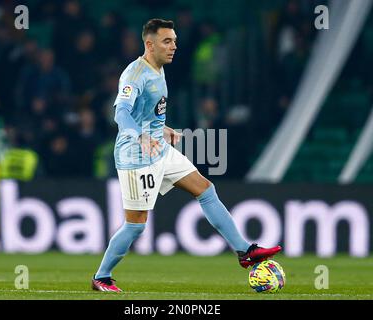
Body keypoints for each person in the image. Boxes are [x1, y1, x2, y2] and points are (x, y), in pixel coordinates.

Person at [91, 19, 281, 293]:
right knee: (135, 226)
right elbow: (120, 112)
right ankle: (102, 277)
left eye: (175, 41)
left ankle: (244, 251)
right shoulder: (135, 75)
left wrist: (160, 128)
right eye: (167, 42)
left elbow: (147, 111)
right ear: (150, 44)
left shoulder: (158, 69)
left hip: (160, 149)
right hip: (137, 156)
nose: (173, 47)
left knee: (205, 189)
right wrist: (141, 135)